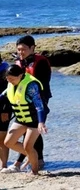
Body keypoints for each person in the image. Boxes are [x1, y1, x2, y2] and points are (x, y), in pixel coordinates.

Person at [7, 36, 51, 173]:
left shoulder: (41, 62)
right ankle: (37, 159)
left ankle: (21, 162)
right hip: (22, 101)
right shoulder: (19, 62)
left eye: (23, 49)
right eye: (18, 49)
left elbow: (40, 84)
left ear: (32, 48)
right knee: (27, 131)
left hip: (38, 100)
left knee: (32, 131)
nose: (21, 52)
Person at [1, 65, 47, 175]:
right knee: (8, 142)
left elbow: (39, 106)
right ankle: (31, 155)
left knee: (28, 146)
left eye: (12, 79)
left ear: (20, 76)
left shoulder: (31, 86)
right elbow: (2, 97)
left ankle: (34, 172)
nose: (9, 81)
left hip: (34, 120)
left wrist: (41, 122)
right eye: (8, 79)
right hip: (21, 119)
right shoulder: (11, 84)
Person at [0, 62, 10, 171]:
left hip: (3, 109)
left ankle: (3, 165)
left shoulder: (4, 70)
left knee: (1, 137)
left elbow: (8, 92)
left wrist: (5, 110)